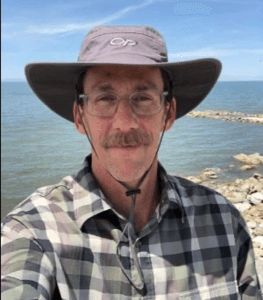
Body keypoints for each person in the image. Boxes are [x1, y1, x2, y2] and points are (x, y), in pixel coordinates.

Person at [1, 25, 261, 300]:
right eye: (104, 99)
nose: (124, 123)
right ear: (80, 117)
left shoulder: (223, 221)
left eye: (143, 98)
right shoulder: (33, 230)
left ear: (168, 113)